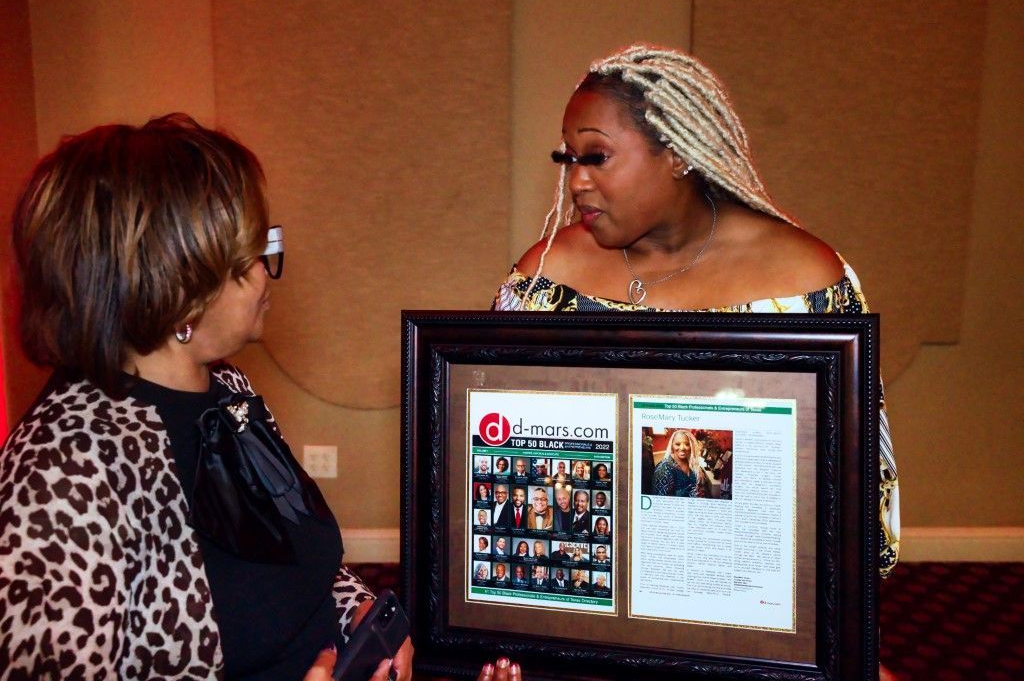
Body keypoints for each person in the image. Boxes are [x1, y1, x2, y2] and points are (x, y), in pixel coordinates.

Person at [0, 115, 412, 680]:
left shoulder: (227, 391)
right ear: (179, 287)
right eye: (250, 256)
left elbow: (291, 554)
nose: (269, 274)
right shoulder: (62, 474)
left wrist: (357, 615)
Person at [492, 45, 897, 578]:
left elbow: (859, 491)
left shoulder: (804, 281)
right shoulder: (546, 278)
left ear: (678, 154)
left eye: (596, 157)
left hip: (746, 586)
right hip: (586, 583)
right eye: (568, 158)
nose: (576, 181)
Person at [652, 429, 706, 498]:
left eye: (687, 444)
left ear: (691, 446)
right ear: (672, 446)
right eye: (677, 444)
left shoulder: (692, 464)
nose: (682, 448)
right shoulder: (664, 469)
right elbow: (660, 501)